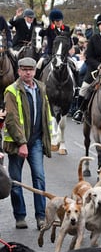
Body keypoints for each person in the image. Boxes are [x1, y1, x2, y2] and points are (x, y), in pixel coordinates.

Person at [3, 57, 53, 230]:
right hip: (17, 143)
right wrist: (22, 143)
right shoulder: (12, 90)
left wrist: (47, 138)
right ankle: (20, 216)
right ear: (18, 71)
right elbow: (11, 119)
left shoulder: (41, 87)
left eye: (30, 69)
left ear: (34, 71)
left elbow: (45, 114)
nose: (27, 72)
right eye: (24, 69)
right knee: (16, 181)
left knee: (39, 178)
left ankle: (41, 217)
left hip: (36, 141)